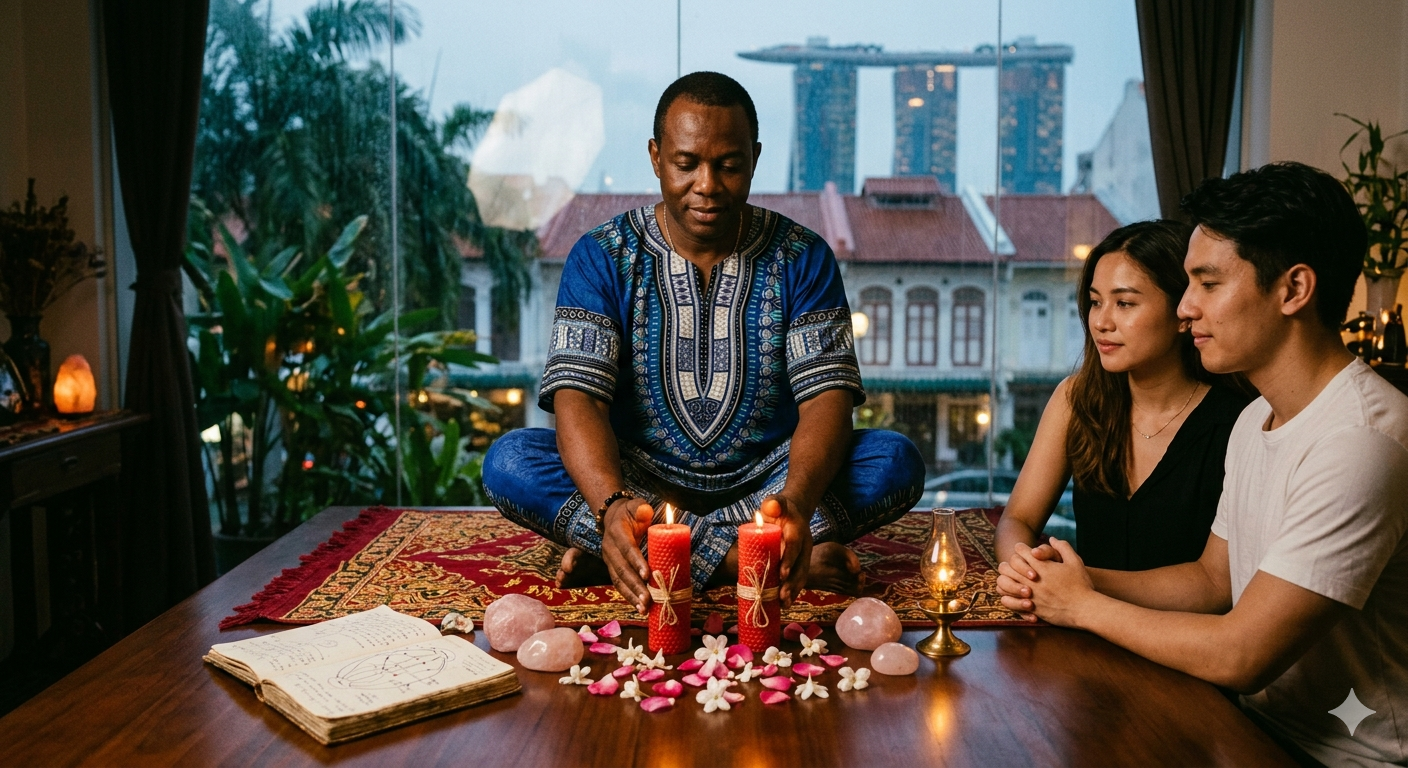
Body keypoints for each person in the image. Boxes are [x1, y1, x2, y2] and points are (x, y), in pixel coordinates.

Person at [997, 162, 1408, 767]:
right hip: (1247, 727)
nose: (1185, 308)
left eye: (1208, 284)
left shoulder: (1360, 440)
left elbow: (1242, 655)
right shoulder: (1256, 419)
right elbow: (1213, 581)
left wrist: (1081, 606)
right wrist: (1065, 580)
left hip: (1344, 757)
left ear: (1293, 289)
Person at [482, 72, 925, 612]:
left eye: (729, 165)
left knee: (894, 461)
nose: (708, 185)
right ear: (656, 157)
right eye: (686, 163)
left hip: (770, 487)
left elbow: (827, 402)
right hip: (637, 484)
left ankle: (640, 557)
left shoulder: (803, 257)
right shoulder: (600, 255)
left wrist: (796, 505)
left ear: (755, 159)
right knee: (510, 461)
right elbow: (581, 398)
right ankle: (747, 562)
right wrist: (612, 504)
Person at [995, 221, 1252, 572]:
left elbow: (1217, 585)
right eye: (1096, 302)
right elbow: (1017, 520)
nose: (1101, 321)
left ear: (1183, 311)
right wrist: (1026, 568)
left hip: (1187, 626)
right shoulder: (1077, 399)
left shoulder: (1239, 420)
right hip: (1077, 622)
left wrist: (1078, 586)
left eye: (1125, 303)